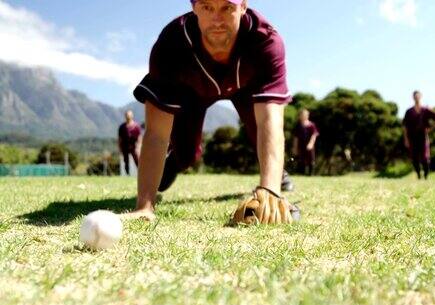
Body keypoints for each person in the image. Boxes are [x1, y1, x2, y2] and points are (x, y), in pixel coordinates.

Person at [124, 0, 297, 222]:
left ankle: (276, 175)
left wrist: (270, 190)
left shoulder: (266, 41)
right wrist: (144, 206)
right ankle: (173, 163)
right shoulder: (171, 44)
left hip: (247, 88)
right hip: (191, 93)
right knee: (186, 155)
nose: (217, 20)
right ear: (194, 7)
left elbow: (269, 120)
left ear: (243, 6)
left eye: (227, 7)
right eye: (207, 7)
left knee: (258, 131)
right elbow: (156, 133)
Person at [402, 91, 435, 179]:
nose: (416, 98)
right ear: (413, 98)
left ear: (420, 97)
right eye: (415, 96)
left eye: (418, 96)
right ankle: (418, 175)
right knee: (414, 157)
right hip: (412, 137)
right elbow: (405, 126)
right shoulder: (409, 111)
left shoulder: (425, 110)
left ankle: (426, 175)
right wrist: (406, 139)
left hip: (423, 136)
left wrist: (431, 128)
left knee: (425, 157)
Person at [292, 109, 319, 176]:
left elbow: (314, 135)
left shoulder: (311, 125)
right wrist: (295, 147)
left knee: (311, 160)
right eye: (301, 115)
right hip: (301, 145)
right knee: (301, 159)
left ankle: (311, 174)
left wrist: (311, 144)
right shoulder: (298, 125)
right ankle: (301, 173)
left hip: (309, 146)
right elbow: (296, 137)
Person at [117, 110, 142, 175]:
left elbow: (140, 137)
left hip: (134, 147)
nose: (128, 116)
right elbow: (120, 139)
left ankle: (141, 174)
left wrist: (138, 147)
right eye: (127, 115)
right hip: (125, 146)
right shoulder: (122, 127)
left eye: (129, 115)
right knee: (126, 161)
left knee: (137, 161)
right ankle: (127, 174)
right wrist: (119, 148)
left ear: (132, 116)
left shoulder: (136, 126)